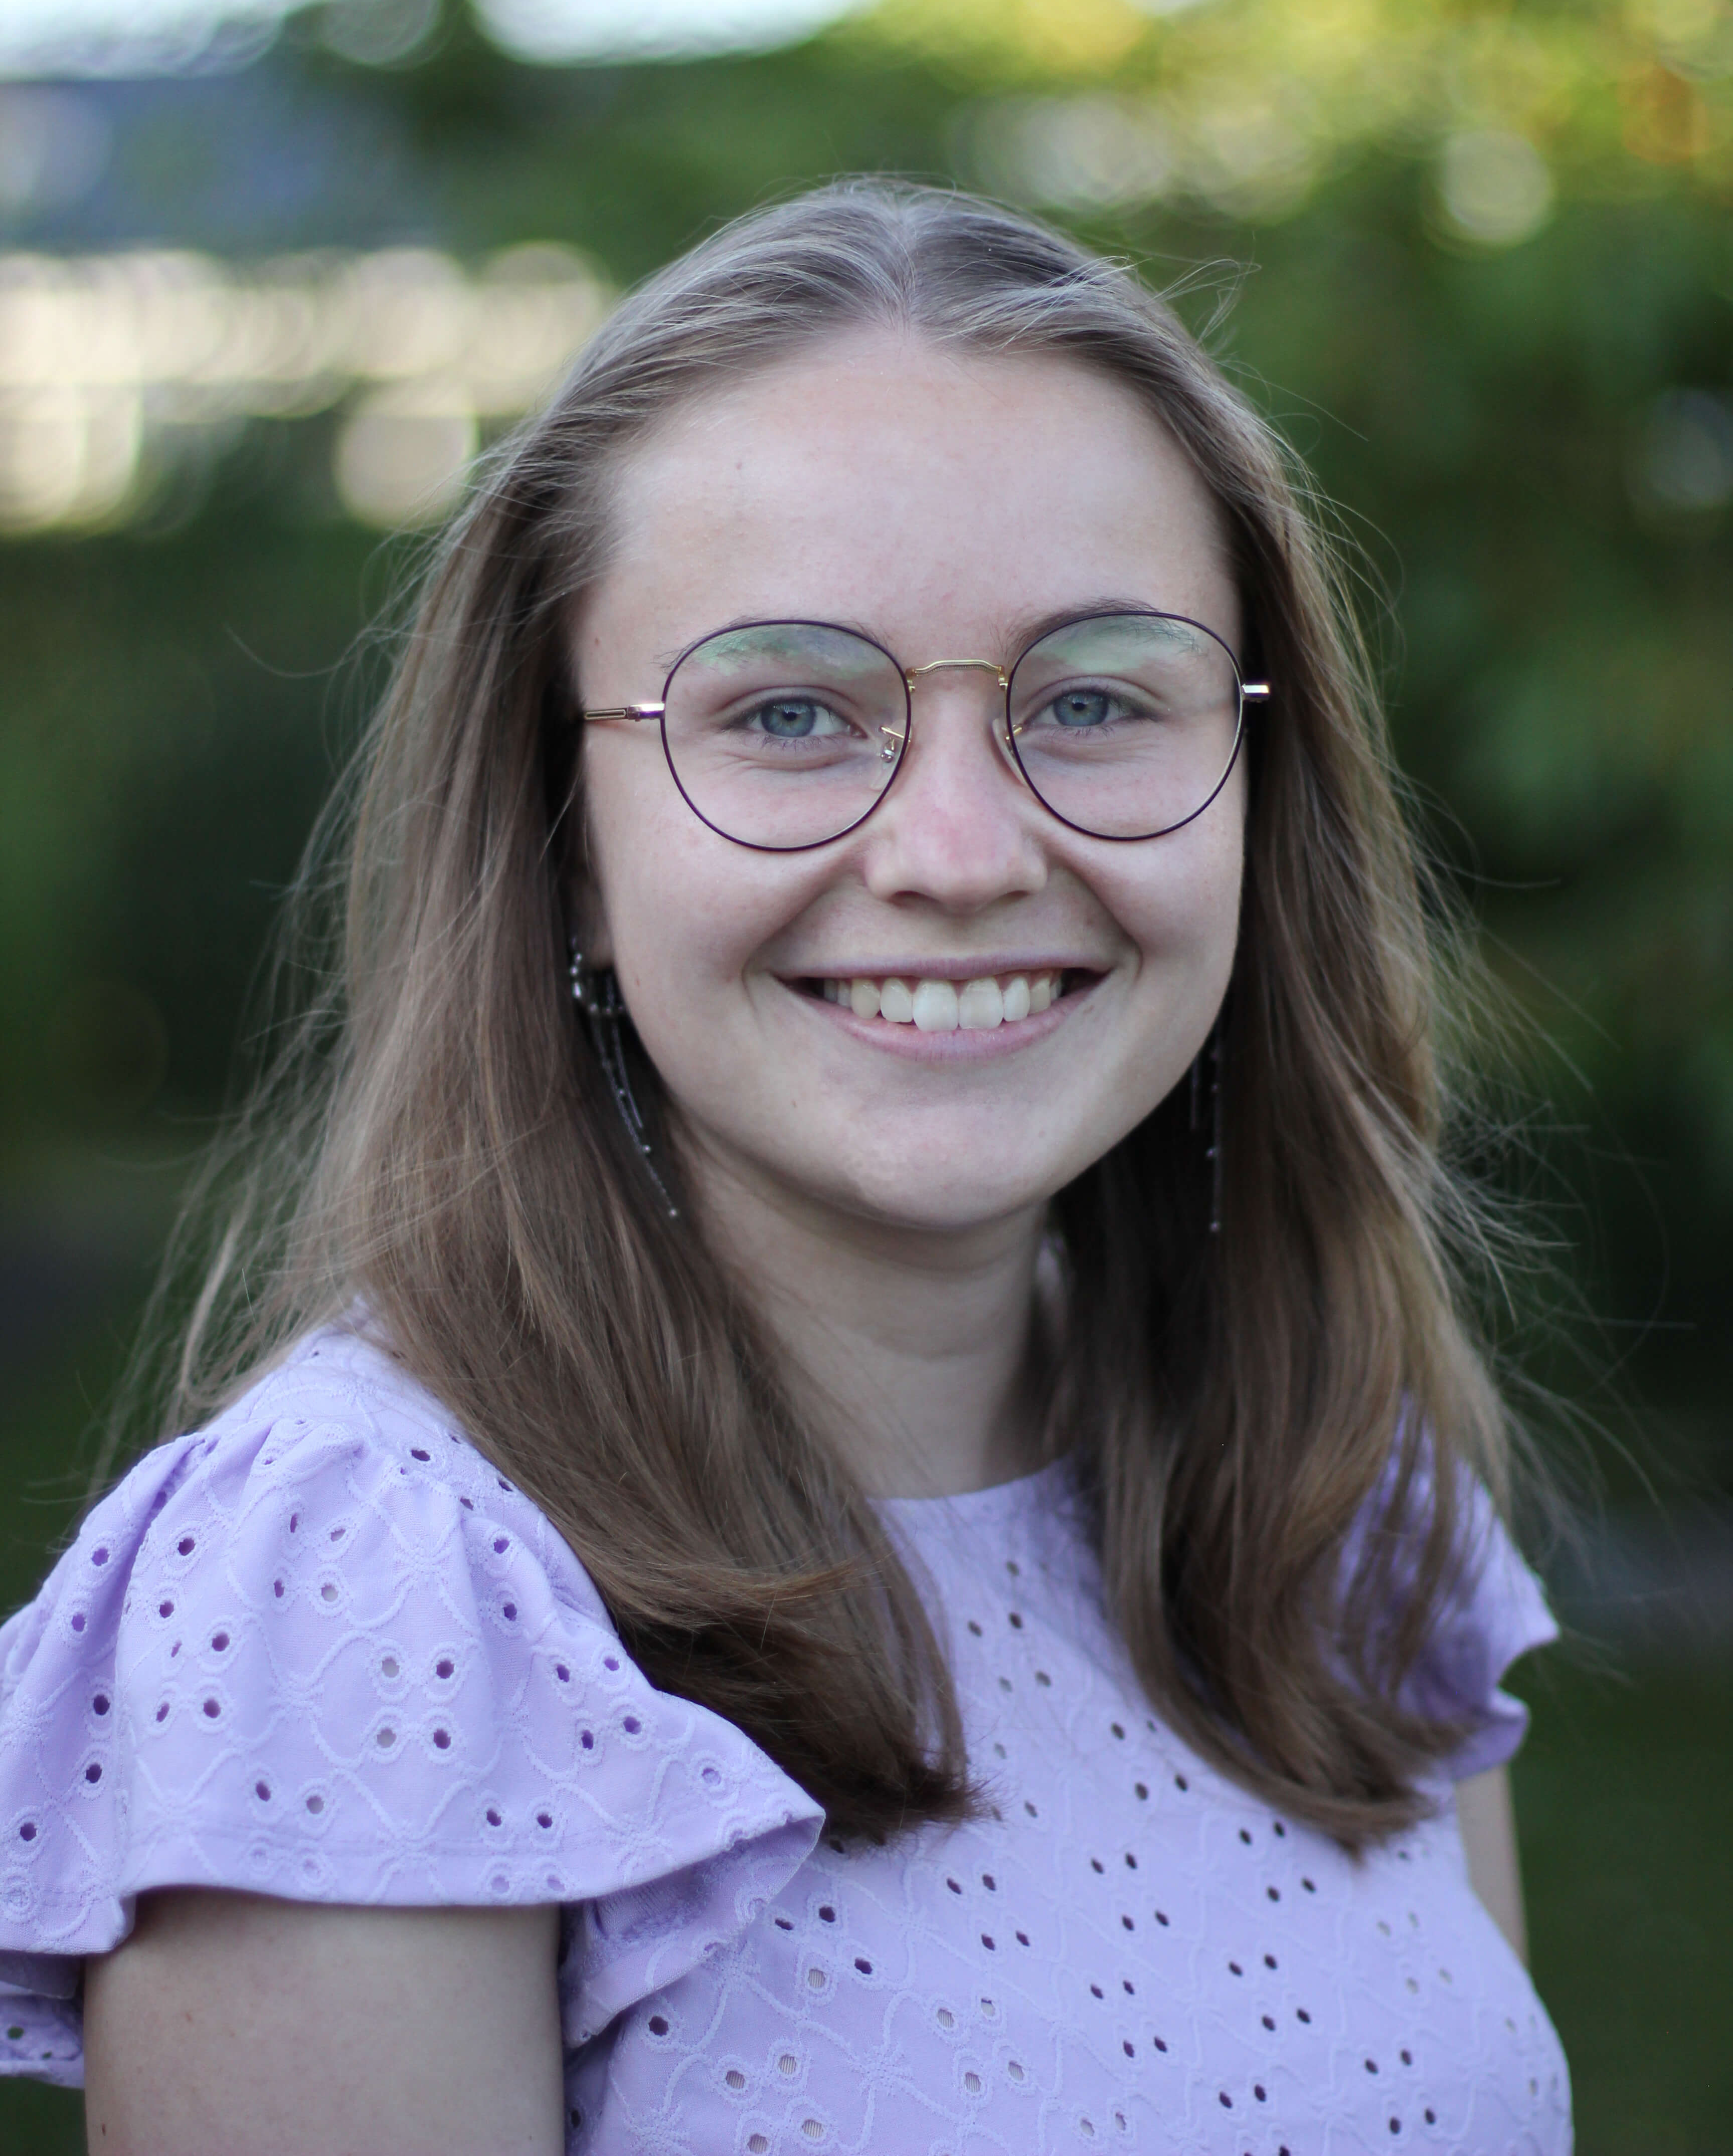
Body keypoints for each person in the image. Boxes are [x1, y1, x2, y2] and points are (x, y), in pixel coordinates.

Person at [0, 182, 1569, 2153]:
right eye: (793, 713)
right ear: (568, 842)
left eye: (1094, 699)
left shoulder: (1337, 1492)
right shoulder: (364, 1595)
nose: (960, 855)